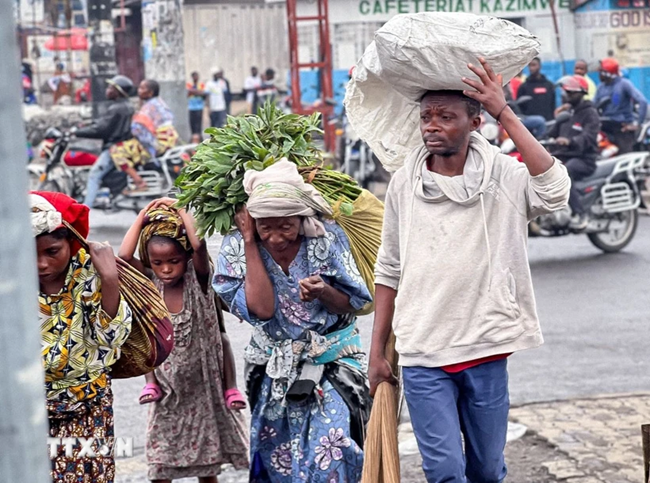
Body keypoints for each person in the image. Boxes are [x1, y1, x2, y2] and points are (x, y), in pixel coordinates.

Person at [369, 58, 570, 483]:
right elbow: (388, 269)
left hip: (485, 345)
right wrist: (376, 351)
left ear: (475, 122)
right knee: (444, 471)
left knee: (487, 471)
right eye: (426, 116)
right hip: (423, 351)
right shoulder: (404, 184)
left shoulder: (504, 177)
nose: (432, 126)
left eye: (446, 116)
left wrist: (505, 111)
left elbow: (555, 191)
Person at [213, 160, 373, 482]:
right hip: (273, 366)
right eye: (265, 227)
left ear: (302, 219)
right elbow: (261, 309)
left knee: (334, 449)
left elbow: (354, 302)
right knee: (277, 456)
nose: (274, 238)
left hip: (332, 358)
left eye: (285, 226)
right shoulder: (237, 247)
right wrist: (248, 241)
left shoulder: (326, 240)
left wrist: (324, 291)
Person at [118, 198, 249, 483]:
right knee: (159, 466)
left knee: (207, 467)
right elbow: (124, 259)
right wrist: (143, 216)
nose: (166, 269)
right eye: (158, 262)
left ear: (186, 259)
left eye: (174, 261)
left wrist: (180, 210)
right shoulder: (150, 283)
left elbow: (200, 245)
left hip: (203, 388)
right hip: (166, 392)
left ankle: (231, 389)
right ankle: (148, 383)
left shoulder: (197, 280)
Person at [32, 191, 132, 483]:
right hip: (29, 409)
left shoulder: (89, 275)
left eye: (52, 252)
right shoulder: (12, 281)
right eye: (31, 253)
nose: (41, 264)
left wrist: (110, 279)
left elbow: (111, 338)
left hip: (86, 407)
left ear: (71, 243)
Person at [548, 75, 601, 230]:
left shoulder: (590, 114)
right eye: (566, 92)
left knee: (565, 171)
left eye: (571, 93)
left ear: (582, 93)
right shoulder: (567, 113)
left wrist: (570, 141)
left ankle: (581, 214)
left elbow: (588, 137)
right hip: (563, 156)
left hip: (584, 159)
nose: (567, 95)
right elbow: (552, 132)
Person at [78, 75, 137, 207]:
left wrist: (77, 132)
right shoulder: (125, 106)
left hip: (114, 147)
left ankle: (85, 209)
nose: (108, 90)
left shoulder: (116, 108)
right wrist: (87, 124)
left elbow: (101, 129)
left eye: (111, 87)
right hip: (121, 145)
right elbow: (103, 122)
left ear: (119, 91)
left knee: (94, 175)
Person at [594, 57, 648, 154]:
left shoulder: (624, 84)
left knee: (625, 155)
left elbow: (642, 102)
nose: (599, 74)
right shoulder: (601, 87)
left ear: (607, 73)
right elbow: (593, 106)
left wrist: (637, 124)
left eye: (601, 72)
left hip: (622, 128)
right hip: (605, 126)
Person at [132, 79, 179, 161]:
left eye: (142, 88)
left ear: (150, 93)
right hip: (171, 140)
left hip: (160, 143)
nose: (138, 90)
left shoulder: (149, 107)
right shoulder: (160, 102)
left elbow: (137, 128)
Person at [187, 71, 206, 143]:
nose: (196, 78)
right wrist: (198, 92)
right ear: (192, 77)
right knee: (192, 124)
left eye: (197, 76)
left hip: (199, 107)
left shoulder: (201, 84)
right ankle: (193, 139)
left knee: (199, 124)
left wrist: (194, 92)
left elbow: (203, 93)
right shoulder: (189, 84)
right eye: (194, 76)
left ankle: (200, 139)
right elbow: (188, 92)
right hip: (191, 107)